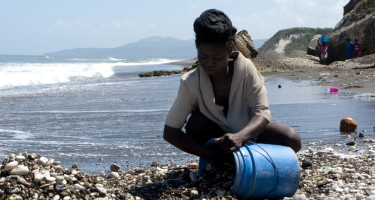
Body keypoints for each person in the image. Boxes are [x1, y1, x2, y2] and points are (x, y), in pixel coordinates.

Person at [163, 9, 301, 164]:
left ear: (229, 51)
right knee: (197, 123)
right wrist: (208, 153)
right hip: (215, 144)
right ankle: (224, 161)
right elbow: (170, 131)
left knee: (291, 138)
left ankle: (248, 159)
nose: (209, 63)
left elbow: (262, 113)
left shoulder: (246, 69)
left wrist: (240, 136)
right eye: (203, 57)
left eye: (217, 57)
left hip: (248, 135)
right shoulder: (190, 82)